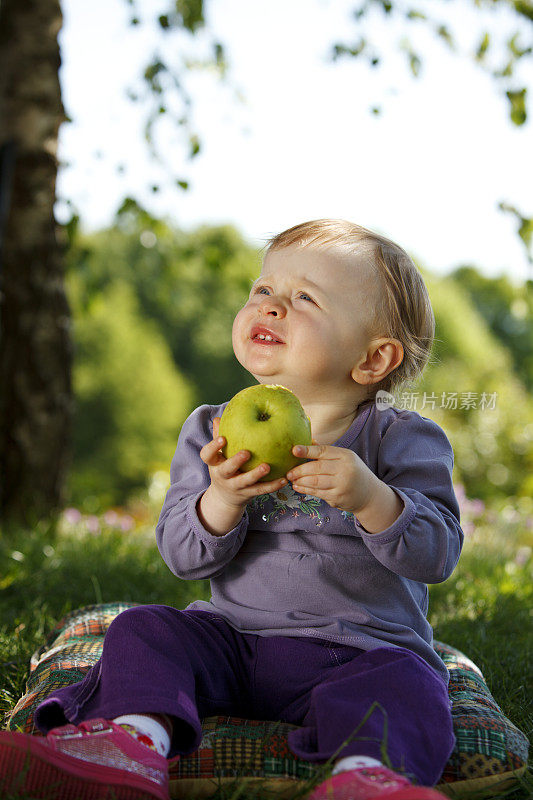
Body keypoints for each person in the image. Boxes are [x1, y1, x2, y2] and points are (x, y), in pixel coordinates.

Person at [0, 220, 463, 800]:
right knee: (144, 629)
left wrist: (373, 499)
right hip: (235, 642)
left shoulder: (402, 440)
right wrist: (222, 498)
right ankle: (129, 746)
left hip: (360, 651)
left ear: (373, 360)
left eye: (304, 299)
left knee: (408, 684)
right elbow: (181, 557)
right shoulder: (212, 431)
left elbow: (437, 554)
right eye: (262, 290)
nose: (269, 308)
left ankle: (365, 779)